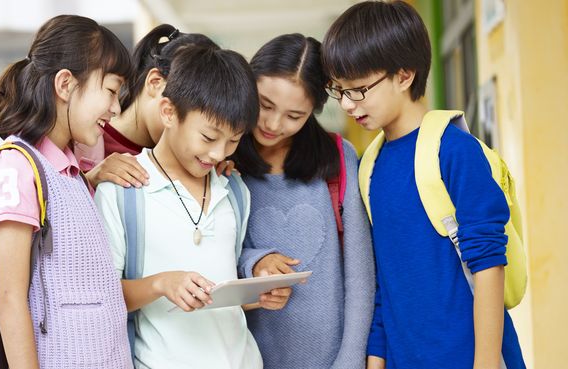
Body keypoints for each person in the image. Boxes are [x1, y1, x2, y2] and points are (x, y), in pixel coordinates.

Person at [321, 2, 526, 369]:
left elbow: (489, 265)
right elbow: (383, 281)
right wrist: (376, 360)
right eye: (340, 90)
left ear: (404, 75)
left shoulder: (455, 150)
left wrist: (485, 364)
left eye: (359, 89)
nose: (349, 105)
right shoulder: (370, 166)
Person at [95, 45, 282, 369]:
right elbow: (101, 298)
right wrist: (161, 283)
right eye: (208, 137)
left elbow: (222, 293)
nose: (217, 154)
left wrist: (258, 296)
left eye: (233, 140)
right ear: (168, 112)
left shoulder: (235, 190)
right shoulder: (123, 190)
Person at [0, 15, 132, 368]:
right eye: (110, 90)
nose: (116, 108)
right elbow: (10, 297)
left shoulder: (69, 172)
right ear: (65, 84)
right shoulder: (15, 168)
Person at [231, 33, 375, 369]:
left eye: (294, 115)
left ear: (314, 111)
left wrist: (351, 361)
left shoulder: (338, 159)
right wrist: (254, 262)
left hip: (334, 359)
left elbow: (360, 274)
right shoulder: (221, 158)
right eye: (265, 105)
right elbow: (207, 255)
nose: (272, 124)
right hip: (248, 358)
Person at [82, 24, 238, 189]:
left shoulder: (195, 157)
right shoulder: (84, 135)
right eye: (208, 137)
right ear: (155, 82)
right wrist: (90, 180)